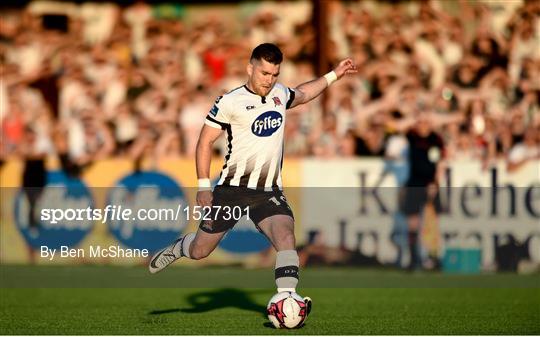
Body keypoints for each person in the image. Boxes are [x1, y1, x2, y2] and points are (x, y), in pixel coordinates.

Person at [149, 43, 357, 312]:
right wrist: (203, 185)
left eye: (274, 75)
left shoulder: (280, 93)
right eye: (264, 73)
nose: (269, 80)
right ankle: (179, 248)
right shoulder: (230, 101)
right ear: (250, 68)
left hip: (267, 191)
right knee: (200, 251)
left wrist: (334, 75)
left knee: (285, 236)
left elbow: (304, 93)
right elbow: (204, 142)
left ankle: (287, 300)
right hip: (231, 190)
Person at [400, 114, 445, 271]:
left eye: (426, 122)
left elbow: (439, 163)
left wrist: (435, 183)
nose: (423, 125)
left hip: (429, 184)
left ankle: (433, 257)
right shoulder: (412, 136)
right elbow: (399, 126)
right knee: (412, 223)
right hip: (415, 183)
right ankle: (413, 259)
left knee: (432, 221)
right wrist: (413, 118)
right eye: (420, 122)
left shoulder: (436, 139)